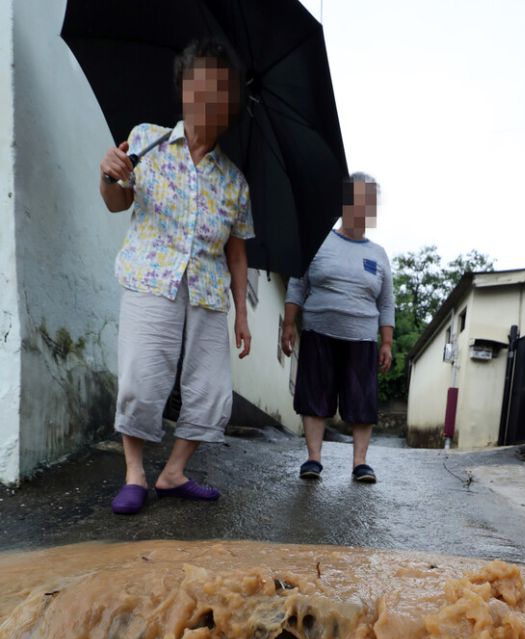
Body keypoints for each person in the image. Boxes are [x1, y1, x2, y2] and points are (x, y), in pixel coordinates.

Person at [99, 39, 254, 515]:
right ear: (184, 89)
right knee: (141, 378)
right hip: (152, 276)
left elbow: (237, 254)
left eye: (221, 89)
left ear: (230, 106)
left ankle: (173, 474)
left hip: (208, 290)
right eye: (199, 83)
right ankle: (134, 474)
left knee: (211, 390)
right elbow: (117, 202)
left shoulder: (235, 181)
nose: (208, 96)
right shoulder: (147, 140)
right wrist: (108, 176)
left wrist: (242, 316)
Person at [281, 173, 394, 484]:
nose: (362, 208)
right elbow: (297, 285)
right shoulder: (319, 241)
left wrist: (386, 342)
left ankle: (360, 463)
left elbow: (386, 302)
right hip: (318, 331)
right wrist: (289, 324)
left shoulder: (378, 254)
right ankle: (313, 458)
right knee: (315, 397)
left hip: (362, 337)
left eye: (369, 203)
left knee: (362, 401)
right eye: (357, 201)